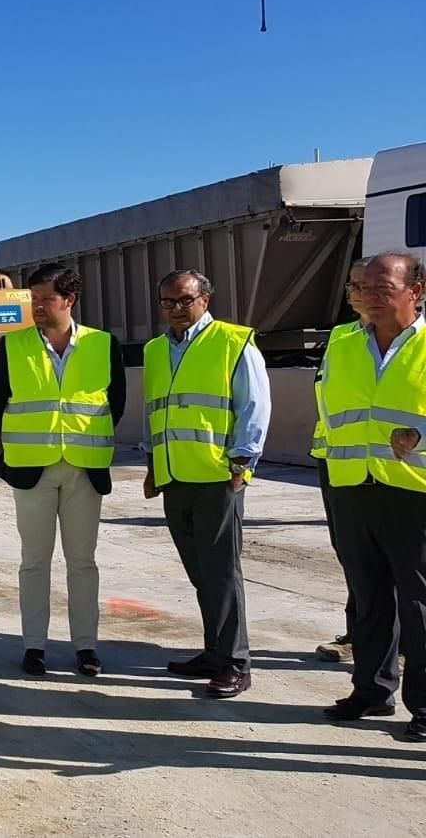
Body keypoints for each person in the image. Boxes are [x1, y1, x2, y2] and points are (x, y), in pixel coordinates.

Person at [0, 264, 124, 677]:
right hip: (32, 469)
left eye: (46, 298)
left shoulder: (102, 344)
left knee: (83, 561)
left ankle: (86, 647)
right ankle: (34, 646)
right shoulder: (13, 346)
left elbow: (116, 404)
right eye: (33, 298)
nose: (38, 306)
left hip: (85, 468)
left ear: (70, 300)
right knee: (34, 561)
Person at [142, 268, 270, 699]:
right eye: (167, 302)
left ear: (205, 300)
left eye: (185, 300)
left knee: (221, 573)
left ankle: (236, 662)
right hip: (176, 475)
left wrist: (242, 463)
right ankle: (214, 652)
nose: (176, 309)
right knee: (200, 572)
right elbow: (156, 410)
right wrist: (152, 466)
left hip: (218, 476)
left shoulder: (234, 342)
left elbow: (254, 406)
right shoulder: (157, 349)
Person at [318, 252, 426, 743]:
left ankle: (423, 707)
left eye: (380, 288)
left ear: (414, 292)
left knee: (419, 606)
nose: (365, 297)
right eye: (358, 287)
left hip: (415, 494)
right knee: (368, 599)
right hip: (352, 488)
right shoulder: (341, 342)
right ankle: (371, 690)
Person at [311, 261, 371, 664]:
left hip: (400, 470)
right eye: (353, 285)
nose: (357, 293)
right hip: (338, 462)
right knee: (354, 557)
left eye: (367, 286)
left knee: (403, 565)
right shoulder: (341, 337)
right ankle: (360, 634)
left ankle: (400, 643)